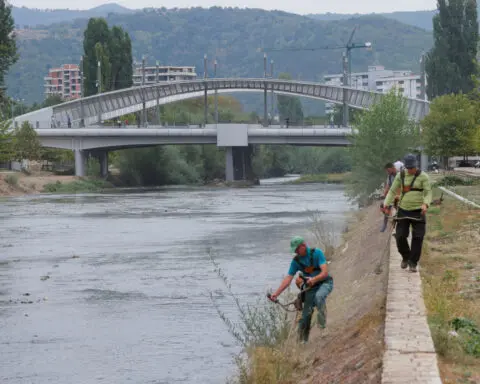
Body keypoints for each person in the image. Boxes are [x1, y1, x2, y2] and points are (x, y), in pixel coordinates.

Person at [270, 236, 334, 343]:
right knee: (305, 316)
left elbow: (324, 273)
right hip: (310, 287)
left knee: (319, 297)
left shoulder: (317, 253)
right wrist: (275, 294)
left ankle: (323, 328)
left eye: (297, 249)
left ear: (303, 246)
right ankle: (302, 342)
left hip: (325, 282)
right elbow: (288, 279)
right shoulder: (296, 261)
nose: (295, 252)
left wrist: (314, 279)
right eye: (294, 250)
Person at [383, 154, 432, 272]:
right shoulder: (401, 175)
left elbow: (428, 192)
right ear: (405, 167)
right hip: (403, 210)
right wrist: (386, 204)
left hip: (418, 212)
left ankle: (413, 262)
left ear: (416, 166)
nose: (410, 170)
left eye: (412, 168)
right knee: (400, 236)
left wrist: (425, 204)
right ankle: (406, 256)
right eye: (408, 168)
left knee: (418, 237)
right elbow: (392, 191)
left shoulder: (424, 177)